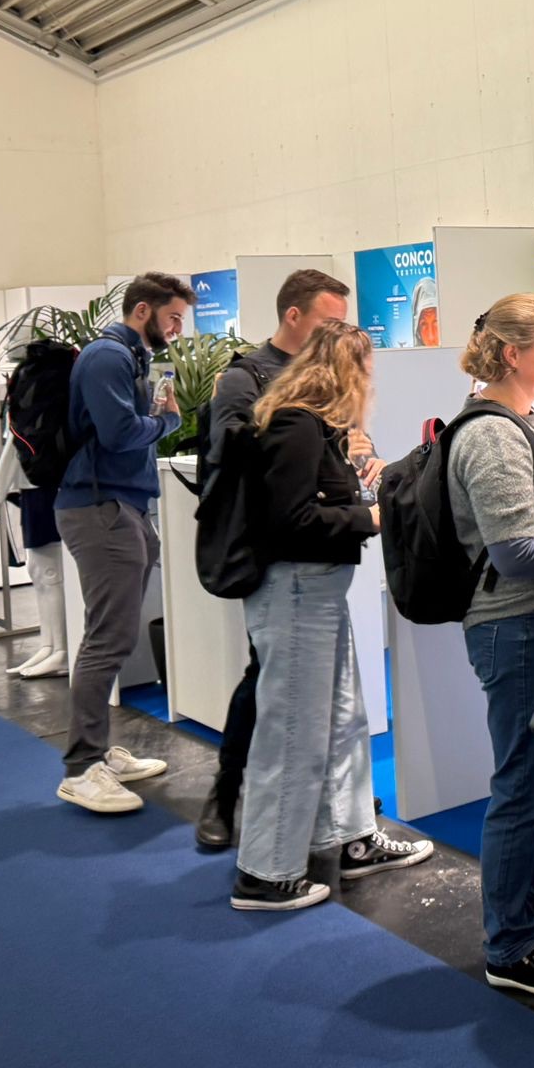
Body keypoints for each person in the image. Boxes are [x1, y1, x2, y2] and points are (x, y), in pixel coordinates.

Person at [232, 321, 433, 911]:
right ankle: (264, 873)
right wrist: (366, 519)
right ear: (350, 371)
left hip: (315, 590)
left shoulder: (310, 424)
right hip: (297, 589)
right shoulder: (296, 424)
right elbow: (289, 521)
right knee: (293, 731)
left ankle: (351, 839)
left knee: (343, 720)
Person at [445, 294, 534, 994]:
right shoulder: (492, 436)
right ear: (512, 353)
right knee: (521, 786)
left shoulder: (523, 421)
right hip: (516, 626)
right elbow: (512, 551)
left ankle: (532, 905)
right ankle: (508, 947)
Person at [195, 268, 365, 850]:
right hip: (277, 560)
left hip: (316, 559)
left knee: (323, 700)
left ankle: (331, 814)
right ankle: (228, 795)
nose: (337, 333)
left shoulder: (327, 377)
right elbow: (234, 454)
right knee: (270, 687)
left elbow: (338, 445)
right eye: (328, 321)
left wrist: (350, 458)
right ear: (294, 315)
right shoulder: (245, 378)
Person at [53, 272, 192, 815]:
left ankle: (96, 754)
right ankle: (82, 767)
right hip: (99, 508)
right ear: (143, 310)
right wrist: (167, 422)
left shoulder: (126, 357)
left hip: (117, 506)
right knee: (107, 639)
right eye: (173, 318)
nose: (177, 329)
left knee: (110, 634)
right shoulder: (108, 357)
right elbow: (119, 434)